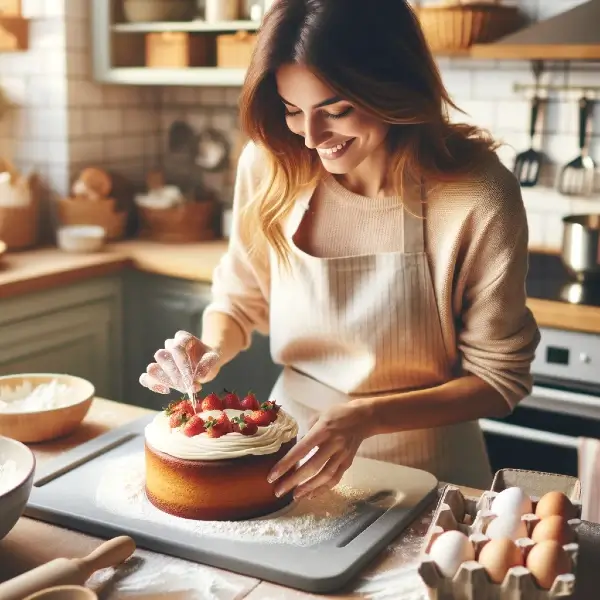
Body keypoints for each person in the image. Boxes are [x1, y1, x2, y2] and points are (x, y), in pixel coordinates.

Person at [140, 0, 540, 498]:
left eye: (337, 110)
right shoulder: (270, 166)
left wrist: (364, 417)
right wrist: (209, 351)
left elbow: (499, 381)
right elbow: (240, 302)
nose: (311, 137)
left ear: (394, 86)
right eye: (292, 110)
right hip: (291, 454)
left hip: (432, 476)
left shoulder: (477, 194)